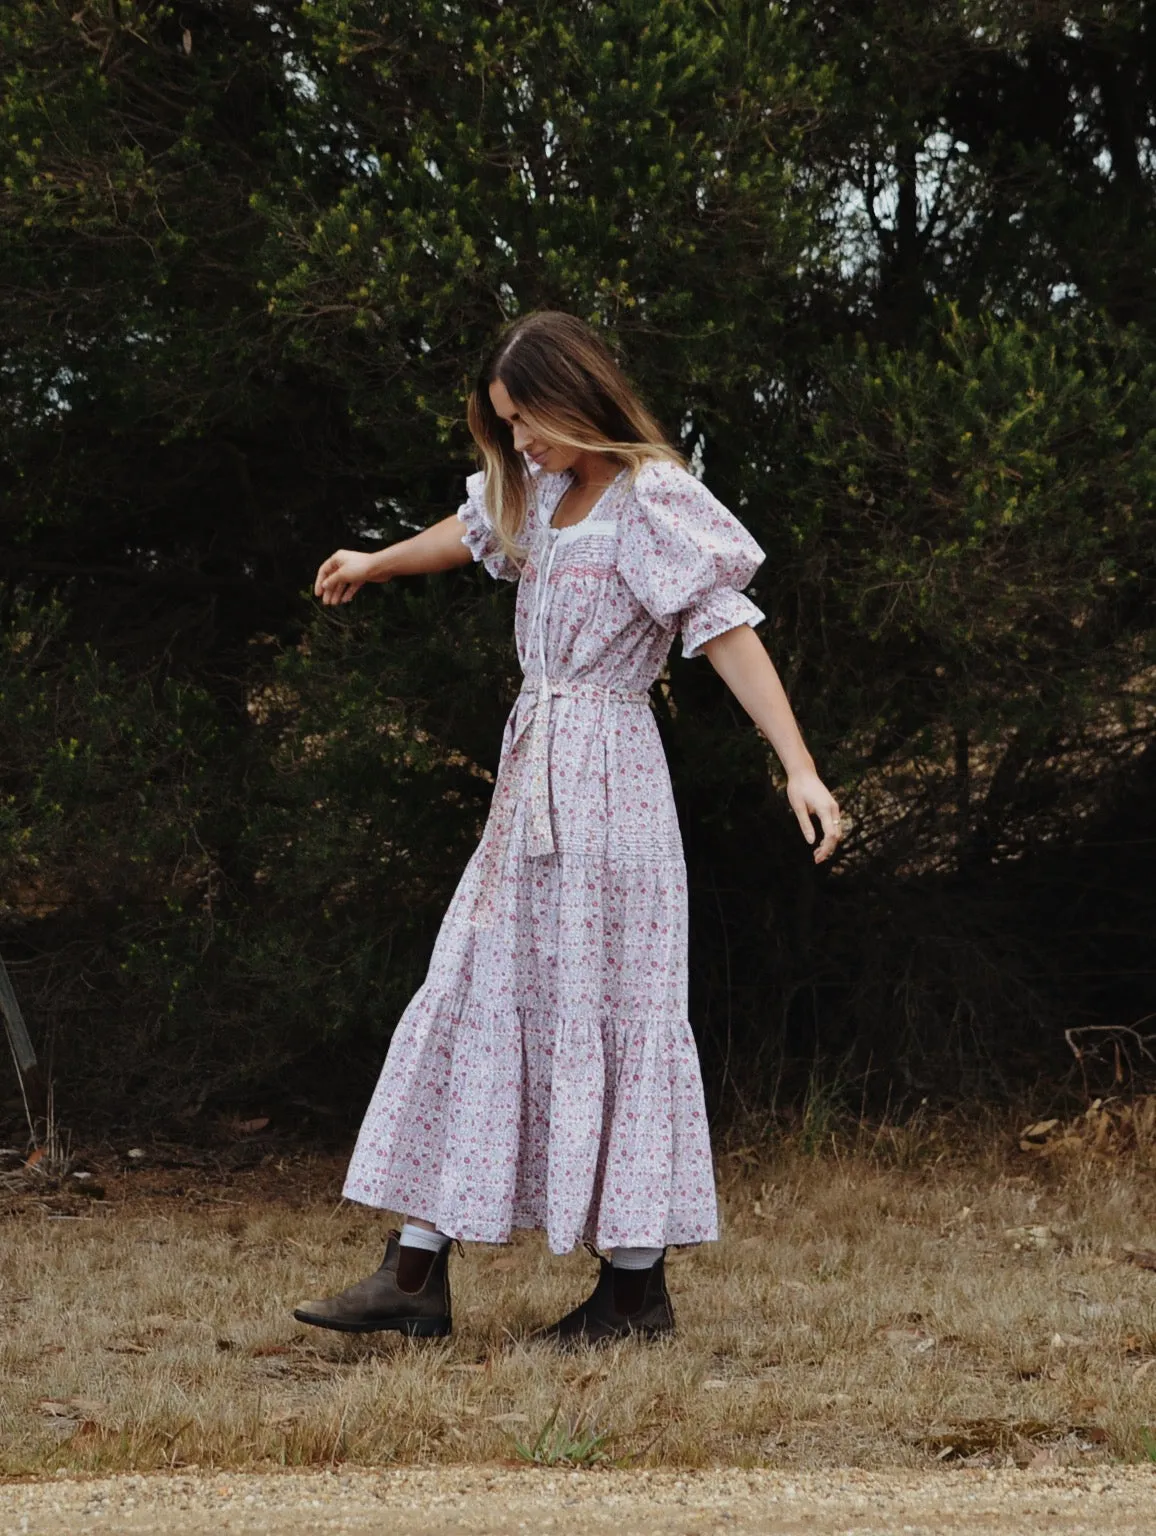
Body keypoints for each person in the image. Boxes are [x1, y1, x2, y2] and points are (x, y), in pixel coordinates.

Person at [295, 311, 841, 1346]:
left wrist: (799, 767)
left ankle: (633, 1296)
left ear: (577, 393)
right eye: (504, 427)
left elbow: (724, 631)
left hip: (610, 786)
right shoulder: (537, 494)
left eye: (527, 421)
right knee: (473, 983)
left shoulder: (653, 498)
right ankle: (413, 1273)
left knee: (610, 1005)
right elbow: (468, 535)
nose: (519, 444)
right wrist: (372, 561)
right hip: (531, 771)